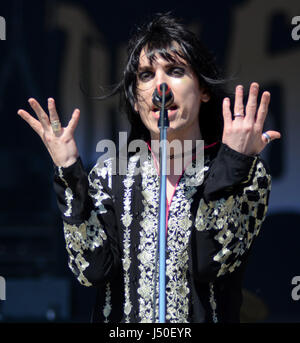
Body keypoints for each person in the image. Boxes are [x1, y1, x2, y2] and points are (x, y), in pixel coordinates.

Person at [18, 13, 280, 323]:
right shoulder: (108, 174)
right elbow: (90, 270)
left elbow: (210, 262)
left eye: (175, 70)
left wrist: (233, 164)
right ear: (136, 96)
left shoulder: (248, 175)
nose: (160, 86)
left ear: (203, 89)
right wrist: (69, 171)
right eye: (145, 75)